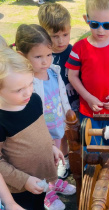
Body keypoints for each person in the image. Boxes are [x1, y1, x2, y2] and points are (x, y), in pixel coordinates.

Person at [66, 0, 109, 182]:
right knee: (91, 143)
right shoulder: (79, 47)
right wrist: (87, 97)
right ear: (87, 20)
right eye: (95, 24)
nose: (100, 30)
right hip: (89, 110)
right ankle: (92, 168)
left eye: (107, 25)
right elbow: (73, 76)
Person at [15, 24, 76, 210]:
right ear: (22, 55)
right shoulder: (26, 82)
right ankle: (45, 194)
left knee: (53, 161)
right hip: (40, 134)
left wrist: (68, 114)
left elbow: (61, 95)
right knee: (41, 164)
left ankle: (53, 182)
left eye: (48, 55)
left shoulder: (54, 72)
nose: (45, 61)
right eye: (38, 57)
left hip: (56, 127)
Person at [0, 46, 64, 210]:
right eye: (19, 90)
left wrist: (51, 146)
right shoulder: (2, 120)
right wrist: (24, 181)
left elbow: (41, 129)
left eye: (30, 83)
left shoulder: (34, 100)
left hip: (40, 178)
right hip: (18, 189)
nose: (27, 92)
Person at [38, 2, 77, 180]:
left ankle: (71, 159)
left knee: (71, 134)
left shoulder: (73, 52)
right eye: (55, 36)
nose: (61, 41)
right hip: (50, 106)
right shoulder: (41, 55)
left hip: (71, 104)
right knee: (56, 136)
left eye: (65, 35)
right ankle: (60, 161)